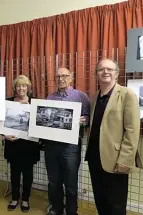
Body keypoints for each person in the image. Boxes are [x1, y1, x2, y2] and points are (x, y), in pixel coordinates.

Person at [85, 59, 142, 215]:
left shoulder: (127, 94)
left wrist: (125, 159)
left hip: (116, 158)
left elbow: (132, 130)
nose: (105, 72)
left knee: (116, 203)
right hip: (95, 157)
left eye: (110, 69)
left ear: (116, 73)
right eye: (101, 69)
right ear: (96, 74)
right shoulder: (95, 96)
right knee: (100, 198)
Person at [44, 68, 90, 215]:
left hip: (71, 147)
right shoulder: (50, 97)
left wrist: (84, 120)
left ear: (71, 77)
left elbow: (88, 118)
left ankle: (71, 211)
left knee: (70, 183)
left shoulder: (81, 96)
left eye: (64, 76)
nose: (60, 79)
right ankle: (56, 208)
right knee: (53, 181)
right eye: (57, 76)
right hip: (52, 145)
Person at [4, 75, 41, 213]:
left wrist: (30, 110)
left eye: (24, 85)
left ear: (28, 87)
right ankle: (14, 198)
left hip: (29, 144)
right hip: (12, 143)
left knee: (27, 173)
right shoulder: (7, 102)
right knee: (14, 173)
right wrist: (4, 135)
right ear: (15, 88)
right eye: (18, 86)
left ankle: (25, 199)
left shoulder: (35, 102)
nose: (21, 88)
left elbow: (40, 122)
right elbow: (0, 122)